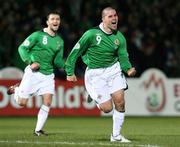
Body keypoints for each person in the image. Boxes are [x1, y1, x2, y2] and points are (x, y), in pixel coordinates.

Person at [65, 7, 136, 142]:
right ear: (103, 19)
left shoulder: (119, 37)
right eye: (110, 16)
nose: (114, 18)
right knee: (107, 109)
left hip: (113, 70)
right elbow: (75, 51)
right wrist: (70, 71)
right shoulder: (91, 34)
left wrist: (128, 69)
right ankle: (93, 96)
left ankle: (116, 136)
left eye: (115, 15)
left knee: (120, 102)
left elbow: (123, 57)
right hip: (95, 73)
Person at [7, 11, 65, 136]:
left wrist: (67, 66)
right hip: (33, 73)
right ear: (47, 22)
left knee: (48, 101)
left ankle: (38, 130)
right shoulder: (38, 35)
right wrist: (30, 61)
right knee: (22, 103)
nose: (56, 21)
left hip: (48, 75)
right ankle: (16, 89)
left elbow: (57, 61)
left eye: (58, 19)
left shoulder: (60, 41)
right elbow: (22, 48)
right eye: (53, 19)